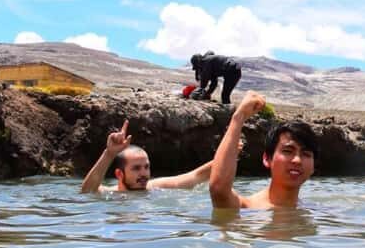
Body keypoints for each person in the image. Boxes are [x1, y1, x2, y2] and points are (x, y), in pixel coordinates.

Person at [209, 90, 319, 210]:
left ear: (313, 167)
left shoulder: (315, 211)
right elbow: (219, 190)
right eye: (288, 151)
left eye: (306, 154)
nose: (297, 160)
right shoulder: (246, 208)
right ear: (267, 159)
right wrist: (239, 117)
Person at [80, 120, 218, 192]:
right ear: (119, 174)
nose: (144, 173)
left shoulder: (155, 187)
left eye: (146, 167)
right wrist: (109, 154)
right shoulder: (111, 194)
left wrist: (228, 152)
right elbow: (87, 191)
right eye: (136, 168)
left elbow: (197, 176)